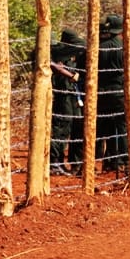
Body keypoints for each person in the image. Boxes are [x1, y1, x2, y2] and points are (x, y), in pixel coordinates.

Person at [50, 27, 85, 176]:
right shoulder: (57, 53)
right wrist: (70, 75)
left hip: (72, 95)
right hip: (63, 95)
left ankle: (71, 162)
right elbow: (54, 66)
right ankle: (54, 162)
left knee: (74, 126)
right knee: (61, 128)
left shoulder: (69, 55)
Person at [96, 14, 127, 173]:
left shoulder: (98, 47)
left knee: (101, 127)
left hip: (100, 91)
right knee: (121, 127)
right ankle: (122, 161)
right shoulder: (124, 47)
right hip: (119, 91)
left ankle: (96, 161)